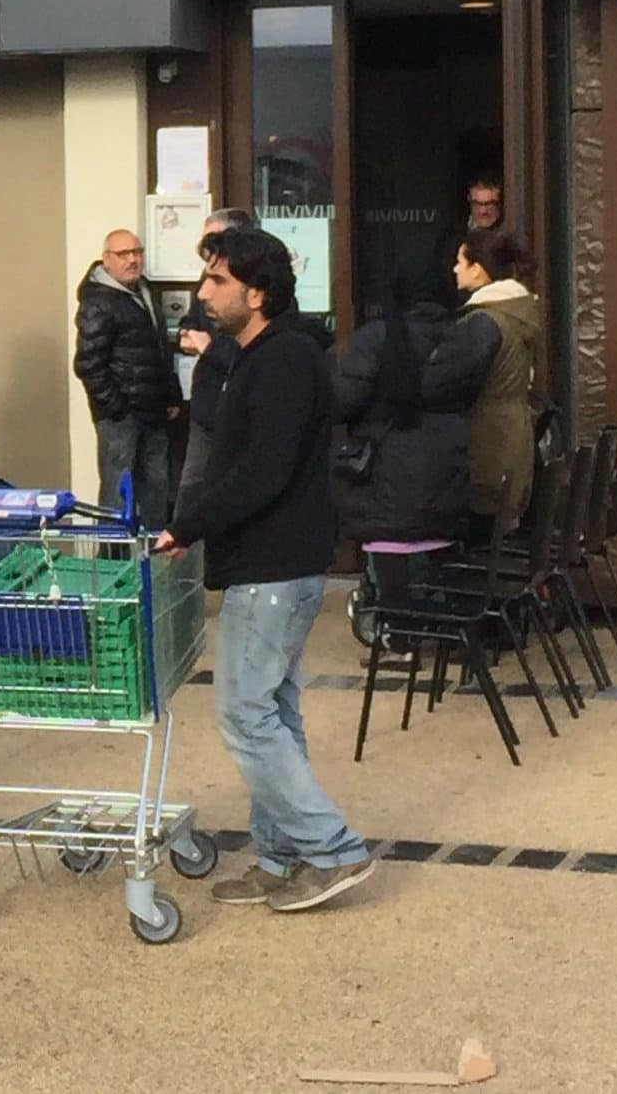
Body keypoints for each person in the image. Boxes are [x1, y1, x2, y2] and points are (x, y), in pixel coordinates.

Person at [158, 227, 375, 914]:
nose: (202, 292)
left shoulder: (283, 360)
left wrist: (187, 524)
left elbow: (262, 471)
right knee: (274, 710)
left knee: (245, 714)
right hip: (271, 561)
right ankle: (283, 859)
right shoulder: (255, 356)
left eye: (217, 281)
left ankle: (332, 848)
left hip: (275, 565)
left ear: (257, 293)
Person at [331, 258, 496, 614]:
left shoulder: (377, 337)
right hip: (447, 472)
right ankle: (425, 618)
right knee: (431, 554)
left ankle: (395, 628)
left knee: (393, 554)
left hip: (385, 477)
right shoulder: (464, 335)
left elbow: (342, 402)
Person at [74, 229, 181, 525]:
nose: (133, 260)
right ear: (106, 259)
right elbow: (87, 364)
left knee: (157, 490)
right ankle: (113, 566)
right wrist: (116, 407)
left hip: (154, 411)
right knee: (117, 497)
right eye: (123, 254)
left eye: (137, 252)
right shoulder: (98, 302)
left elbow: (159, 348)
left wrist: (170, 394)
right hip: (120, 418)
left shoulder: (144, 291)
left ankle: (152, 565)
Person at [455, 224, 543, 542]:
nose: (454, 269)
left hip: (487, 445)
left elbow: (454, 382)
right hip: (514, 437)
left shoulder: (484, 321)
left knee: (480, 531)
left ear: (478, 270)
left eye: (460, 262)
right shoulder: (518, 313)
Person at [175, 206, 257, 497]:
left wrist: (209, 348)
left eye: (213, 238)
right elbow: (193, 317)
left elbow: (251, 348)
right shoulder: (208, 275)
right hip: (206, 402)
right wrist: (186, 334)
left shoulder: (258, 280)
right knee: (192, 489)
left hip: (238, 407)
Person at [431, 175, 506, 272]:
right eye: (477, 203)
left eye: (490, 203)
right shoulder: (450, 239)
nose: (483, 211)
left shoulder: (510, 235)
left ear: (500, 203)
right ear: (469, 200)